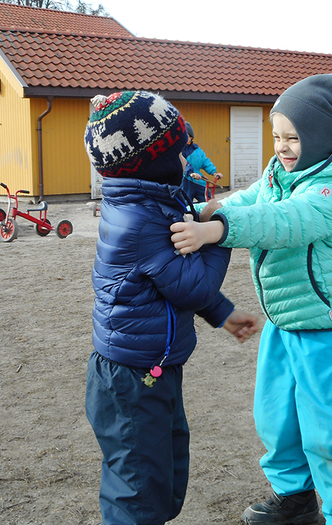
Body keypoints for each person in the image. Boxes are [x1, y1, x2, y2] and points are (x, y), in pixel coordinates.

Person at [170, 74, 332, 525]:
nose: (283, 146)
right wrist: (208, 210)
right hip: (284, 320)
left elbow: (292, 219)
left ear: (323, 136)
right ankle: (296, 497)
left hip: (327, 328)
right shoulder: (280, 170)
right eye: (277, 136)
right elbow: (254, 197)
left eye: (293, 137)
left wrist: (219, 229)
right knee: (277, 417)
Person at [83, 91, 259, 525]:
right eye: (183, 152)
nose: (189, 160)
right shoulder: (143, 221)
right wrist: (220, 232)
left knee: (160, 472)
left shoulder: (144, 203)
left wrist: (224, 314)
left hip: (147, 368)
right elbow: (192, 281)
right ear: (153, 160)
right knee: (138, 490)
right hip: (132, 378)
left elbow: (176, 285)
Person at [179, 121, 223, 203]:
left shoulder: (197, 150)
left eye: (186, 135)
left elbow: (205, 162)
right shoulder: (179, 150)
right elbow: (183, 164)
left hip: (199, 181)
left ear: (191, 137)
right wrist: (191, 173)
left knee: (207, 202)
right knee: (186, 204)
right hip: (186, 181)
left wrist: (214, 173)